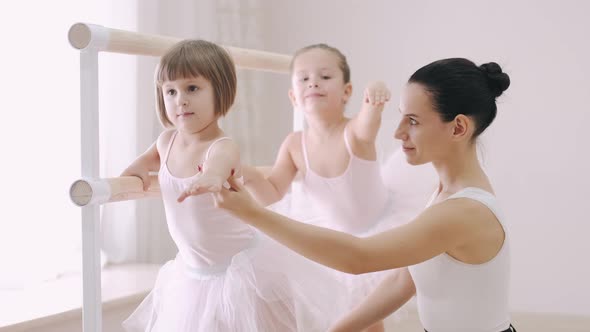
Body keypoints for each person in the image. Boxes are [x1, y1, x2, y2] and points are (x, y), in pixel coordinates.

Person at [214, 58, 516, 332]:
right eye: (401, 117)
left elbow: (359, 257)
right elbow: (405, 279)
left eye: (412, 120)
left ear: (458, 127)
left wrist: (252, 213)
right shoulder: (445, 193)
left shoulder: (464, 211)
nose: (397, 133)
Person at [120, 39, 347, 332]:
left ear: (221, 91)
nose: (180, 99)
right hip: (193, 272)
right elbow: (142, 164)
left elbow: (219, 165)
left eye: (192, 88)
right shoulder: (166, 141)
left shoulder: (221, 145)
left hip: (243, 268)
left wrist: (211, 177)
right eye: (171, 91)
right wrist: (131, 176)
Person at [241, 44, 403, 332]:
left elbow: (368, 123)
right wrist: (249, 175)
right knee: (342, 308)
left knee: (367, 314)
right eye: (303, 79)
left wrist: (374, 98)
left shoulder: (353, 132)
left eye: (325, 76)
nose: (313, 82)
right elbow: (273, 193)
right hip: (332, 233)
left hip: (376, 230)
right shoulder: (294, 144)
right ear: (293, 96)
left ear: (347, 92)